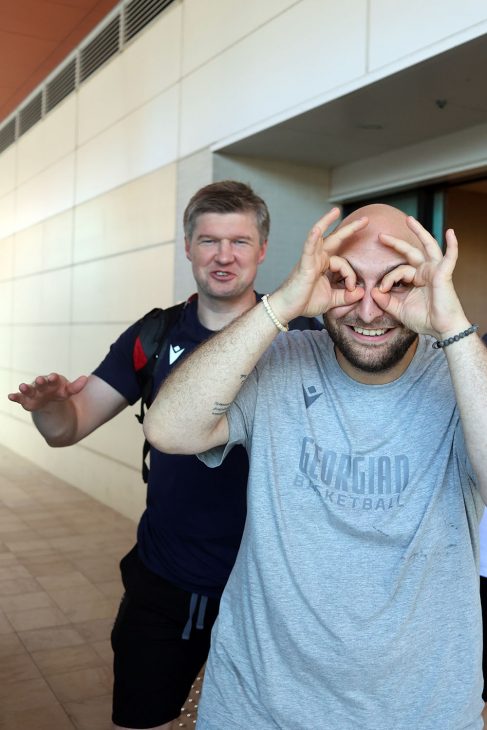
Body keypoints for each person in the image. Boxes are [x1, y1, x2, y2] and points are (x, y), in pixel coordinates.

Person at [144, 203, 487, 730]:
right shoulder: (281, 358)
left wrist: (454, 327)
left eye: (395, 283)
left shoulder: (462, 376)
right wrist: (282, 303)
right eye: (347, 280)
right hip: (256, 708)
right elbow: (169, 430)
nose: (368, 311)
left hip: (421, 712)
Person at [7, 180, 321, 730]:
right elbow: (67, 428)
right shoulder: (154, 335)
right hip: (167, 580)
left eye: (240, 241)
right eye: (209, 241)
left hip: (273, 586)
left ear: (263, 250)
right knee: (143, 718)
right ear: (188, 247)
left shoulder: (302, 338)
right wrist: (50, 407)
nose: (224, 256)